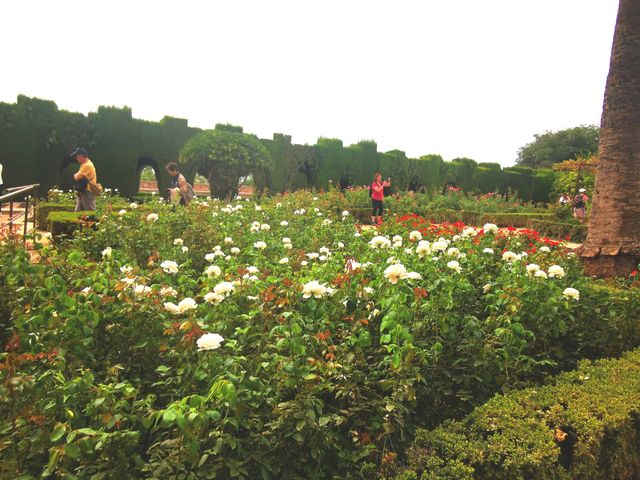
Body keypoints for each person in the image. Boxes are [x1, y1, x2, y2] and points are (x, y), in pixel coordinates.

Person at [71, 147, 97, 212]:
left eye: (77, 156)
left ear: (81, 155)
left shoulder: (87, 165)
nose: (76, 158)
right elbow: (79, 176)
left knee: (90, 213)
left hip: (87, 192)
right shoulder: (86, 163)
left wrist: (76, 175)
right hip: (83, 191)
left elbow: (76, 177)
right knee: (78, 211)